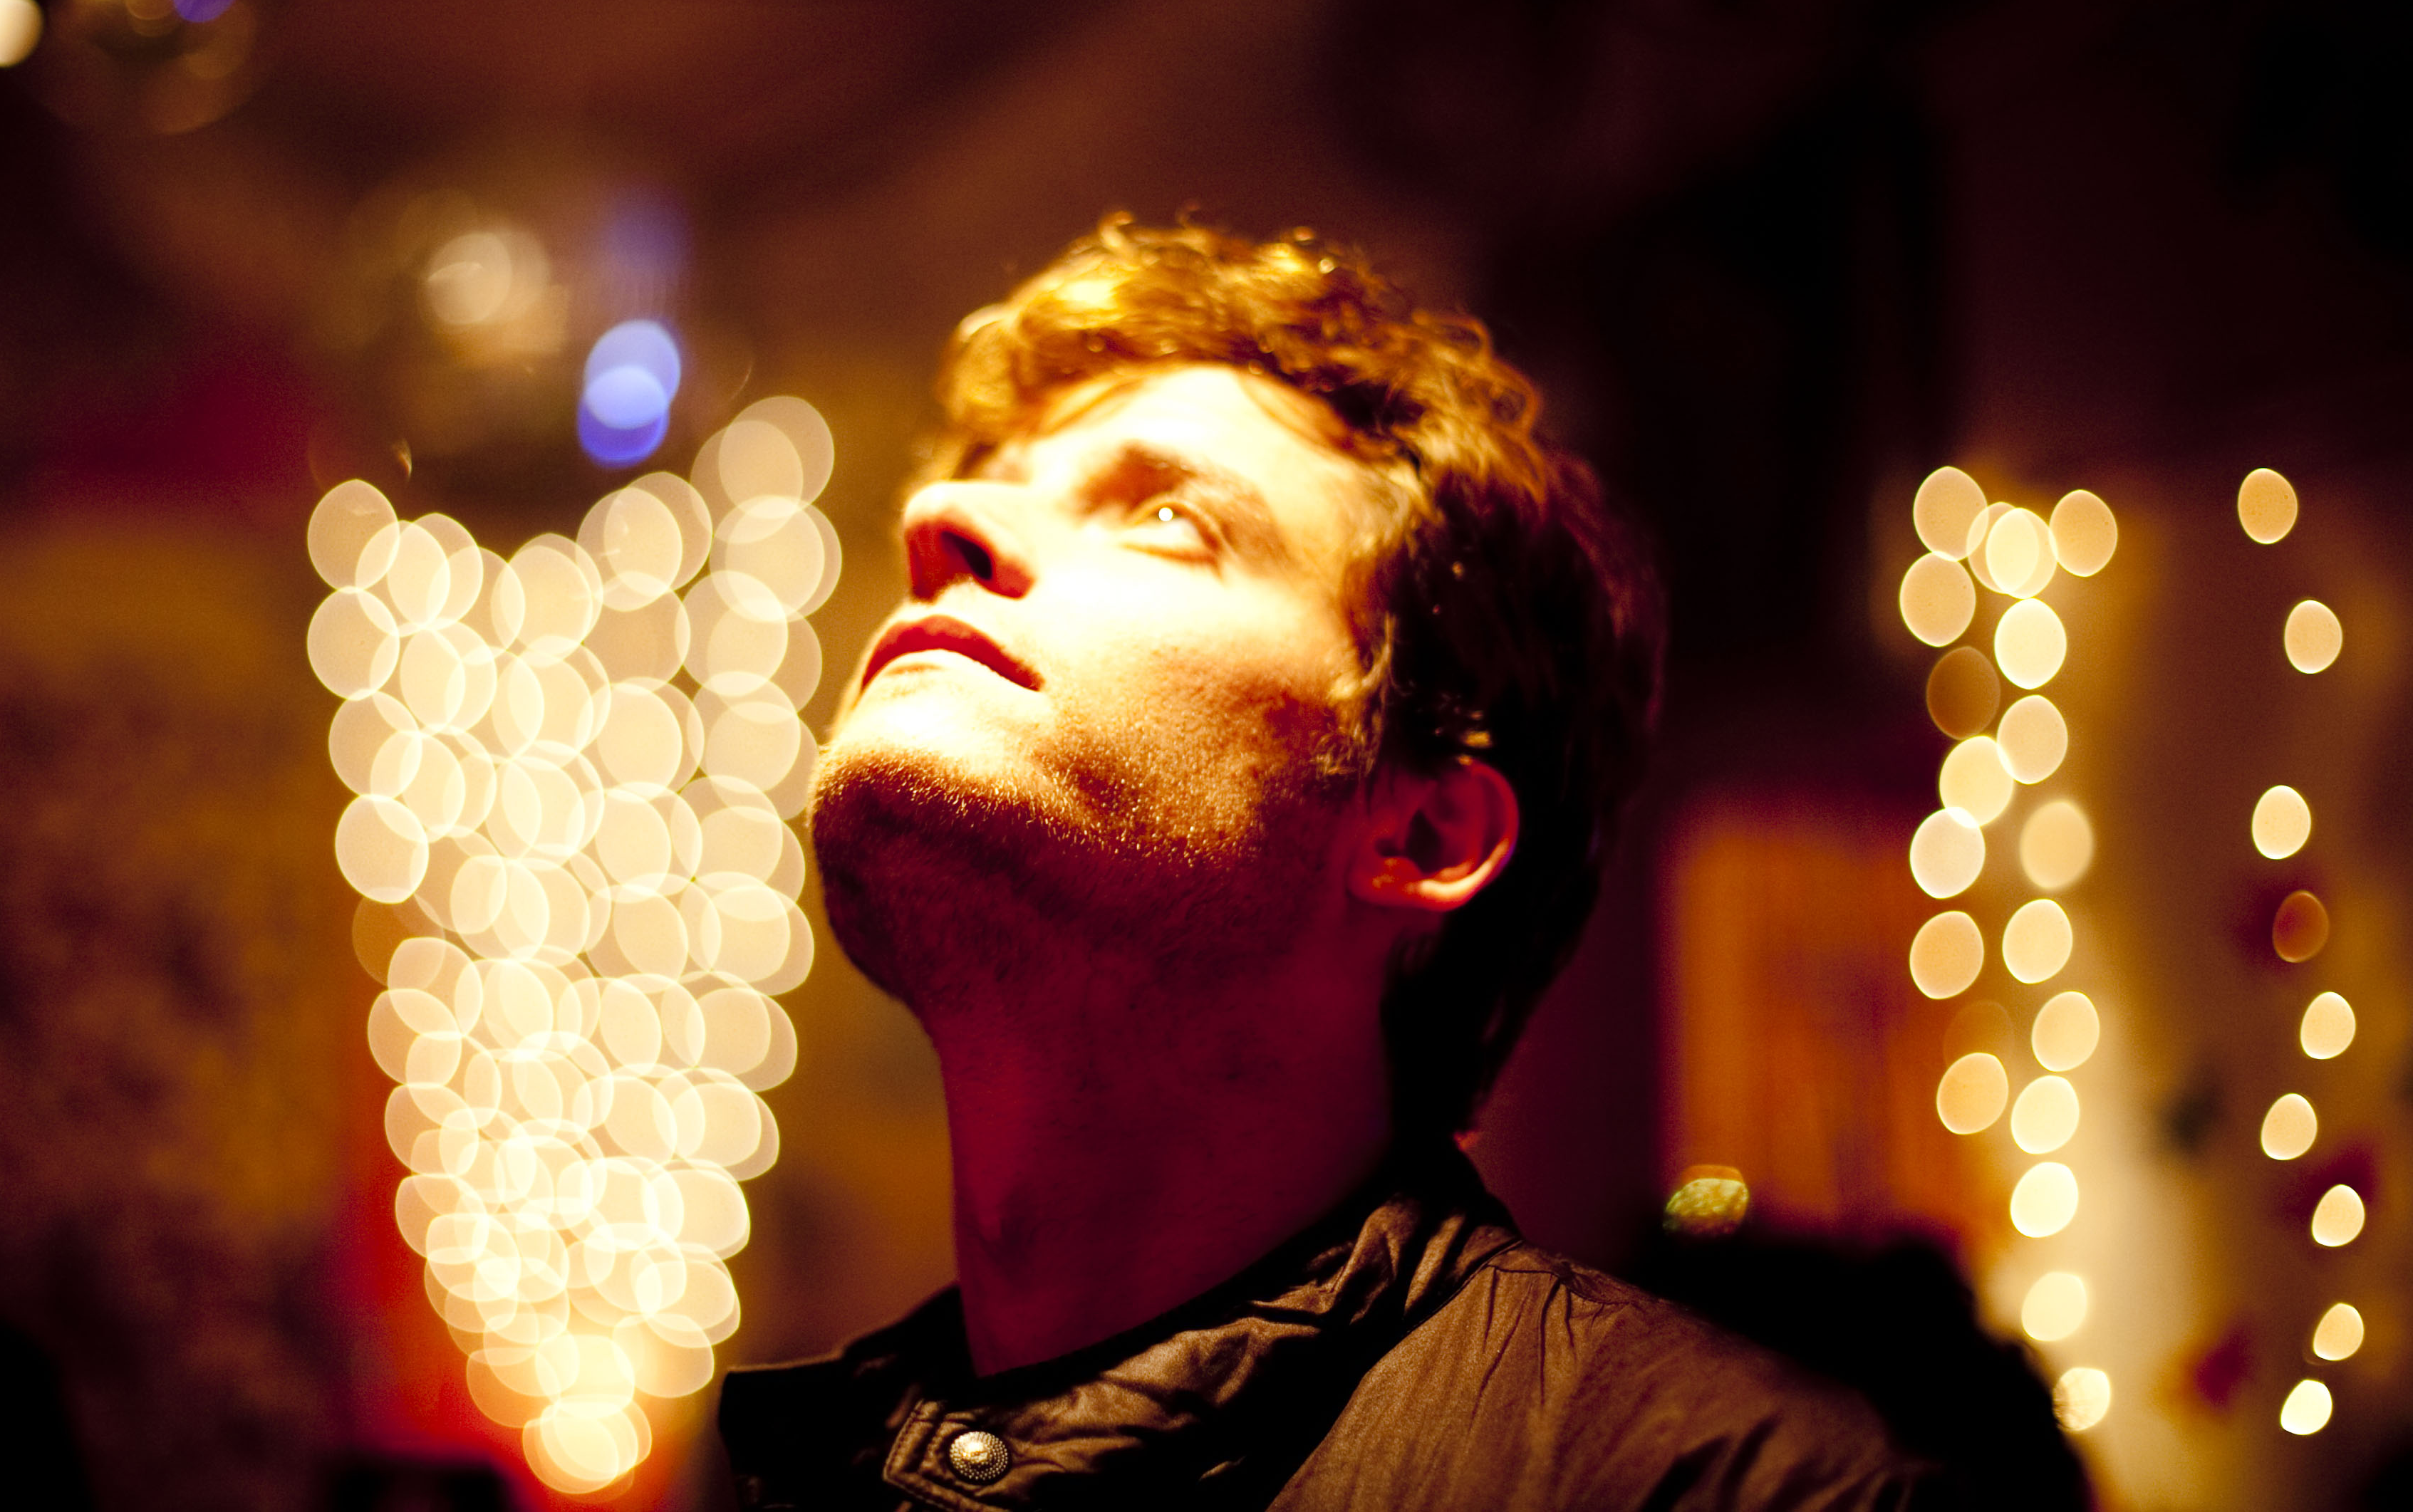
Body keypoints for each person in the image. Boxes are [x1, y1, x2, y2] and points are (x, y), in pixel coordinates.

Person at [717, 220, 1921, 1509]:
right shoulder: (790, 1477)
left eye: (1166, 515)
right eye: (987, 479)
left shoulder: (1743, 1491)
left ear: (1421, 833)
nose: (938, 517)